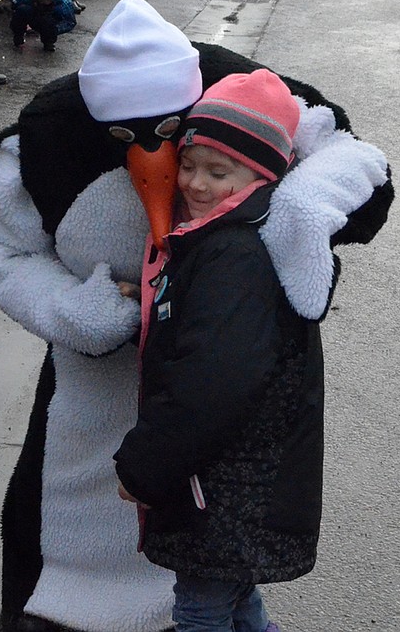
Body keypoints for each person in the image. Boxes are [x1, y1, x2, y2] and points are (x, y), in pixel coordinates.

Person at [0, 0, 392, 632]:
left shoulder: (242, 103)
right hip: (92, 390)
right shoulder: (47, 132)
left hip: (193, 417)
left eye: (203, 163)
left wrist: (298, 215)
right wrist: (74, 310)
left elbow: (355, 160)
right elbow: (4, 249)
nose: (190, 182)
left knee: (201, 534)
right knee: (67, 506)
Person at [113, 68, 341, 632]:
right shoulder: (226, 238)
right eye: (188, 165)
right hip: (242, 482)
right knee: (234, 599)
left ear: (262, 177)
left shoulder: (235, 257)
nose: (194, 183)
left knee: (201, 610)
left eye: (220, 173)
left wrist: (146, 466)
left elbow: (211, 381)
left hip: (224, 485)